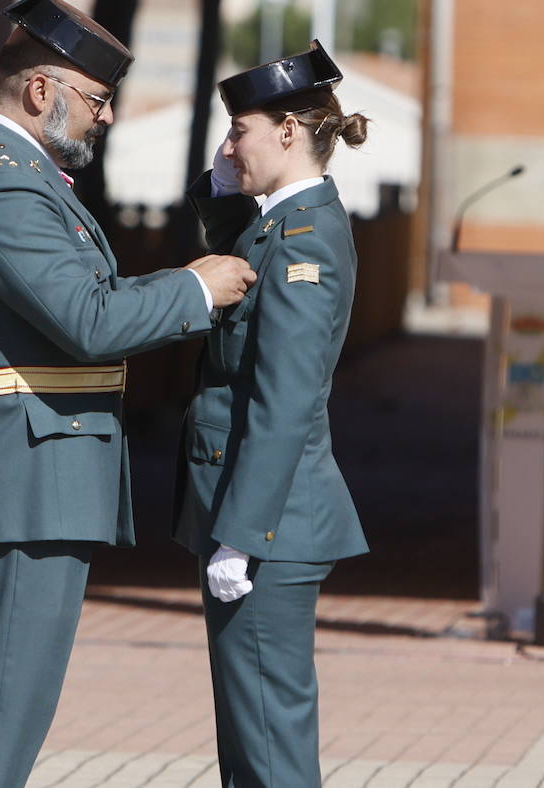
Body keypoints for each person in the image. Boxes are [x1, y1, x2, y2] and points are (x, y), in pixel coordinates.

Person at [0, 0, 257, 788]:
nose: (104, 116)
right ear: (41, 90)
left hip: (19, 465)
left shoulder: (16, 173)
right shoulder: (3, 184)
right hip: (22, 473)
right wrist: (195, 287)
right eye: (96, 99)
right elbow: (90, 321)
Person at [174, 40, 371, 787]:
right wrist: (222, 189)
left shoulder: (304, 240)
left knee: (268, 740)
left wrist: (241, 537)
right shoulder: (282, 224)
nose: (230, 147)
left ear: (289, 130)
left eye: (239, 133)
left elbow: (285, 401)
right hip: (257, 518)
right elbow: (239, 252)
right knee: (250, 734)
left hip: (268, 524)